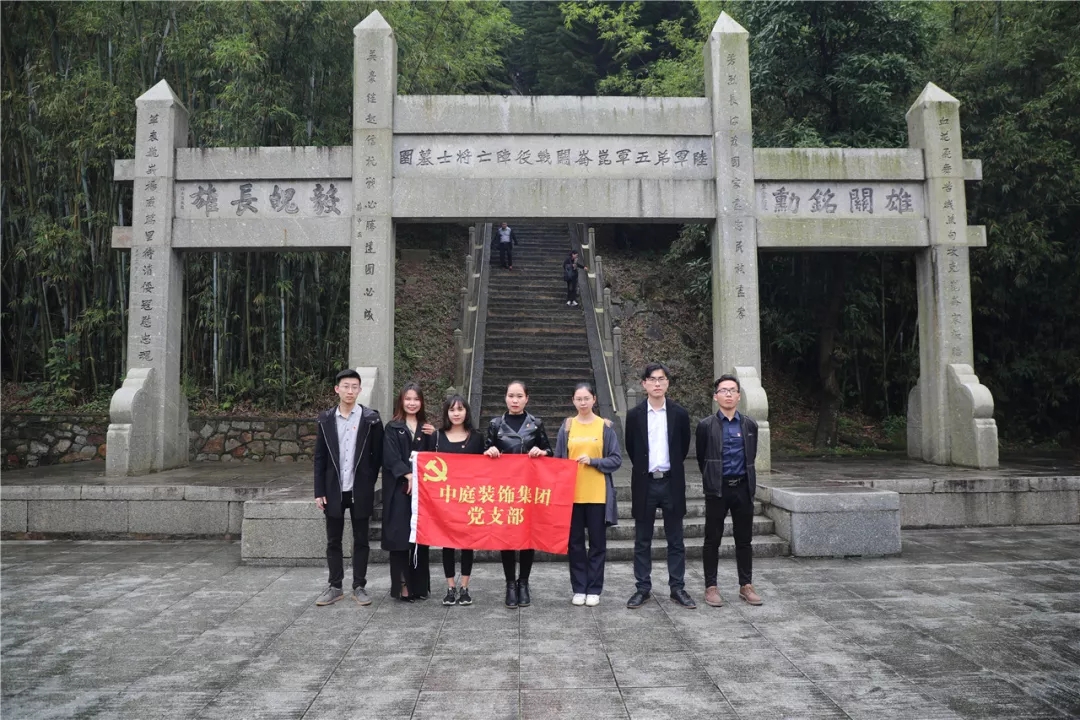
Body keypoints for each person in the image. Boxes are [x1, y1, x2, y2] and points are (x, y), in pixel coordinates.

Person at [624, 362, 695, 610]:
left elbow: (682, 447)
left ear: (667, 383)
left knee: (675, 539)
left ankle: (677, 588)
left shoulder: (679, 414)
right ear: (644, 384)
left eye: (661, 379)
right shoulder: (634, 415)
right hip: (645, 483)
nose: (657, 383)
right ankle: (642, 588)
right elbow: (632, 448)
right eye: (652, 379)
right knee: (642, 540)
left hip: (671, 482)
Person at [313, 369, 384, 607]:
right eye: (346, 386)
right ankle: (335, 586)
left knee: (361, 539)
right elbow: (320, 458)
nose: (350, 391)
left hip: (359, 488)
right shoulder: (326, 419)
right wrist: (319, 491)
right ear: (337, 389)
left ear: (360, 390)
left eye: (354, 387)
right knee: (333, 540)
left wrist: (368, 480)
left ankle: (359, 586)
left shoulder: (371, 419)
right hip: (333, 489)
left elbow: (377, 455)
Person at [484, 380, 553, 608]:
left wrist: (542, 451)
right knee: (507, 538)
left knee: (527, 537)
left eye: (519, 396)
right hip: (504, 491)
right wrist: (489, 450)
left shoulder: (536, 423)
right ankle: (510, 584)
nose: (515, 400)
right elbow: (482, 454)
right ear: (505, 398)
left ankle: (524, 582)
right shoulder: (495, 424)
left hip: (528, 490)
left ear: (527, 398)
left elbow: (550, 452)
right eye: (511, 396)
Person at [554, 382, 621, 606]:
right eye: (578, 399)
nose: (582, 403)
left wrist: (594, 461)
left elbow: (616, 459)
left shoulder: (605, 426)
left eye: (586, 398)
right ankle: (579, 588)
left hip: (597, 494)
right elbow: (558, 460)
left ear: (594, 399)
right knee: (575, 545)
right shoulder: (567, 426)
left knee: (597, 544)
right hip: (572, 496)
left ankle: (594, 589)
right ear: (573, 401)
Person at [698, 375, 762, 607]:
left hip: (743, 488)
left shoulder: (749, 425)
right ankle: (711, 586)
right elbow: (703, 458)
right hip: (718, 489)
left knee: (744, 539)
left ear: (738, 396)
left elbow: (751, 455)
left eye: (732, 390)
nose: (728, 394)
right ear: (716, 396)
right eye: (723, 390)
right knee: (712, 539)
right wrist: (713, 478)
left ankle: (746, 585)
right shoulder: (706, 425)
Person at [381, 382, 435, 602]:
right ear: (401, 401)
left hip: (423, 493)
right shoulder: (393, 427)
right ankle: (402, 585)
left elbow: (435, 459)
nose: (412, 403)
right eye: (408, 399)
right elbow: (390, 457)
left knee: (420, 538)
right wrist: (408, 474)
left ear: (421, 402)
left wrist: (436, 436)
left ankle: (419, 586)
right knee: (400, 539)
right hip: (399, 491)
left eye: (416, 399)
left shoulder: (426, 429)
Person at [434, 394, 486, 606]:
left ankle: (464, 587)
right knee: (447, 543)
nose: (456, 413)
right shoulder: (437, 437)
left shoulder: (477, 437)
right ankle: (450, 587)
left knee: (467, 543)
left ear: (467, 412)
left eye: (460, 409)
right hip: (445, 500)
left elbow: (485, 467)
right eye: (452, 410)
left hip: (469, 498)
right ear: (447, 413)